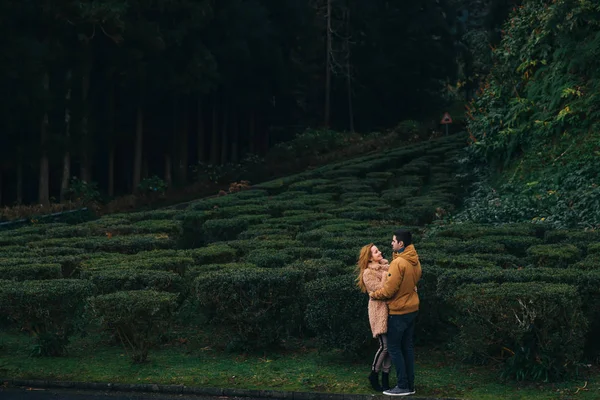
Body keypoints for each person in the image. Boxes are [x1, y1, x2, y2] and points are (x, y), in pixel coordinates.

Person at [369, 230, 421, 397]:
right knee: (407, 348)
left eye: (393, 241)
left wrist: (374, 294)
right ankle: (409, 385)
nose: (391, 243)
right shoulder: (414, 260)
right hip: (412, 309)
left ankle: (403, 385)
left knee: (393, 348)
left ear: (401, 244)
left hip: (399, 311)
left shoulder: (398, 263)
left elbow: (389, 290)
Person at [356, 243, 392, 391]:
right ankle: (373, 373)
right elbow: (381, 290)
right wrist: (386, 275)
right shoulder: (368, 273)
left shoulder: (387, 267)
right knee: (385, 346)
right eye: (376, 252)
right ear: (370, 258)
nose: (380, 252)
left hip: (391, 310)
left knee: (391, 347)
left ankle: (385, 377)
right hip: (379, 312)